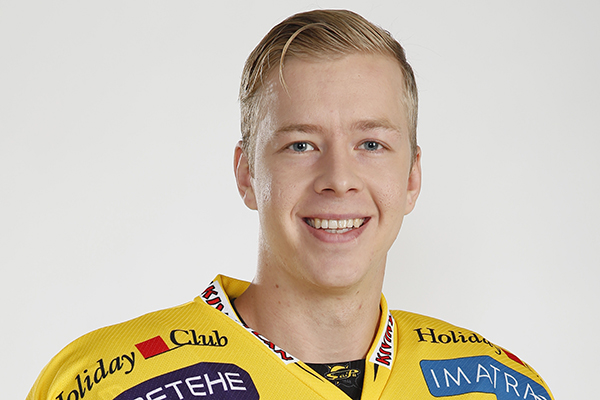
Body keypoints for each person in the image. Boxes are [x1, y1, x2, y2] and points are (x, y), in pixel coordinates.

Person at [27, 9, 553, 400]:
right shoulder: (104, 384)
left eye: (371, 144)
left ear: (412, 177)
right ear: (247, 174)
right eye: (301, 145)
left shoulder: (503, 387)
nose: (338, 180)